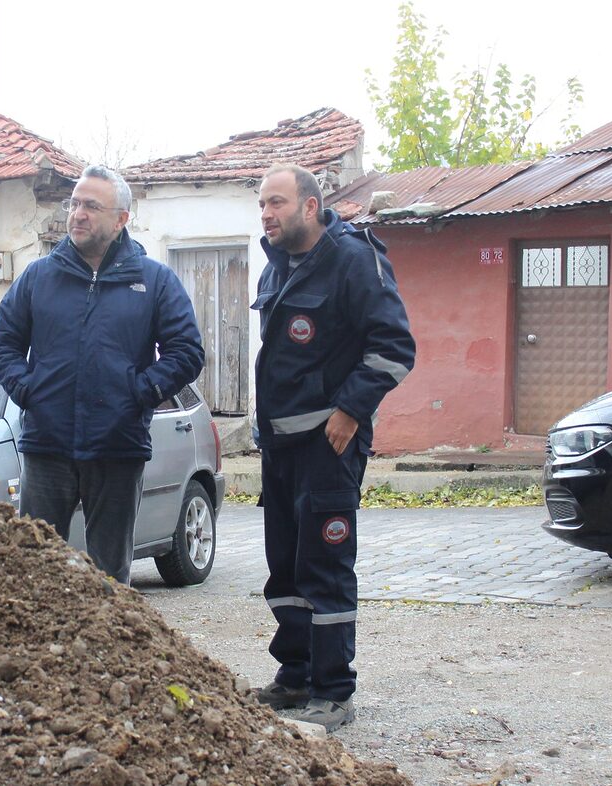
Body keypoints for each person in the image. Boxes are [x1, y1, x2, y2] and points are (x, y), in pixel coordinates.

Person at [249, 163, 415, 732]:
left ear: (311, 206)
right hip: (281, 446)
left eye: (276, 203)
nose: (266, 215)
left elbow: (394, 347)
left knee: (325, 566)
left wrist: (350, 410)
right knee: (285, 569)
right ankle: (294, 676)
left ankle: (334, 690)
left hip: (328, 443)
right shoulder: (276, 267)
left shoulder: (352, 259)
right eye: (262, 206)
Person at [0, 165, 203, 585]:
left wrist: (139, 393)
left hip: (117, 447)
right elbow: (1, 344)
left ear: (121, 218)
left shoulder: (153, 280)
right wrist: (29, 391)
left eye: (91, 206)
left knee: (110, 577)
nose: (77, 214)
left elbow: (186, 351)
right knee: (35, 568)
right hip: (46, 447)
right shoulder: (38, 276)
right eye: (74, 203)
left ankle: (105, 650)